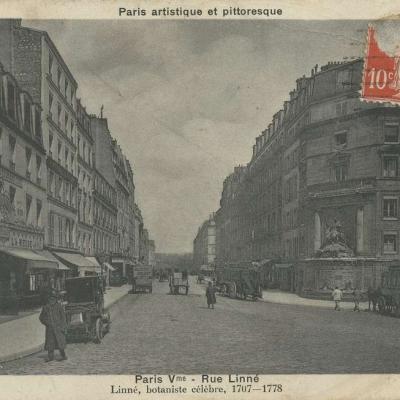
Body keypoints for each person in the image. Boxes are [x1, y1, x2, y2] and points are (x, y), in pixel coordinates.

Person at [39, 291, 68, 362]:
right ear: (48, 299)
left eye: (53, 298)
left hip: (58, 328)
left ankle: (63, 355)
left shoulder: (59, 306)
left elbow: (63, 317)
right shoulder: (46, 307)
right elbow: (41, 317)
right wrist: (47, 323)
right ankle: (50, 357)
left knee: (60, 343)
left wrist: (63, 326)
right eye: (50, 298)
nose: (52, 300)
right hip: (50, 329)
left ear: (55, 299)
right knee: (50, 343)